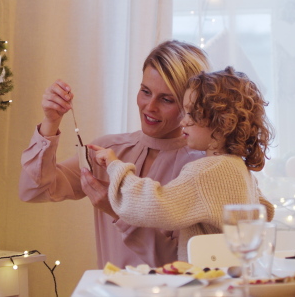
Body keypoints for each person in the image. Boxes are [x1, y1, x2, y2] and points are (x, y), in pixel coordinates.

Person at [19, 41, 211, 268]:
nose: (149, 106)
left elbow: (181, 265)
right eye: (145, 91)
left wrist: (116, 208)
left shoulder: (201, 168)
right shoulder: (109, 152)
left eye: (166, 99)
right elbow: (32, 190)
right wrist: (50, 122)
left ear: (191, 104)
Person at [90, 66, 276, 261]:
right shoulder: (239, 169)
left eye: (191, 113)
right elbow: (265, 210)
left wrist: (115, 166)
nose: (183, 122)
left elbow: (155, 205)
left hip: (206, 283)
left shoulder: (206, 172)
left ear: (221, 122)